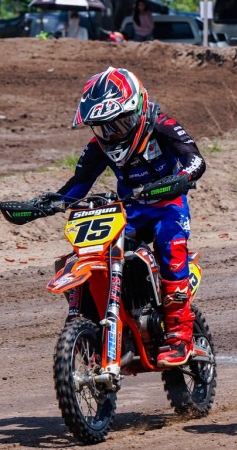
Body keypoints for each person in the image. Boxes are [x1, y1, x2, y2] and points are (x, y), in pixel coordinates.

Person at [31, 68, 206, 367]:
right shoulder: (99, 147)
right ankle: (95, 327)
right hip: (129, 209)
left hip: (168, 205)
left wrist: (182, 178)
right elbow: (78, 185)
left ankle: (179, 336)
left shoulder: (162, 127)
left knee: (170, 248)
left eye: (119, 123)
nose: (111, 134)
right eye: (102, 128)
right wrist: (48, 203)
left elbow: (196, 159)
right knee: (87, 253)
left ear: (138, 111)